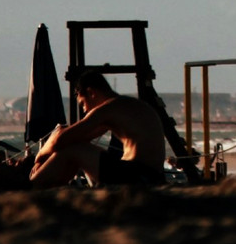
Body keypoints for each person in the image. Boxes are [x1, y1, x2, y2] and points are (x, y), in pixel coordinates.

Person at [29, 72, 166, 188]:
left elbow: (60, 140)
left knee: (74, 149)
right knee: (74, 147)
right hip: (149, 174)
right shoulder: (123, 106)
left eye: (83, 103)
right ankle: (50, 185)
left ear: (91, 92)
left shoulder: (108, 108)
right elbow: (78, 137)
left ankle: (31, 186)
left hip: (140, 176)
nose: (84, 110)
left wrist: (39, 156)